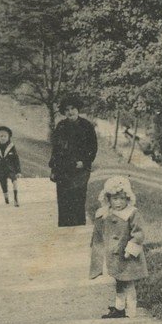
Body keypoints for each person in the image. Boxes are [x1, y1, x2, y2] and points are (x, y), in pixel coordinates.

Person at [89, 176, 148, 319]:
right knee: (120, 281)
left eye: (122, 199)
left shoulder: (131, 213)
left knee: (128, 283)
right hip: (115, 256)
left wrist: (131, 249)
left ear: (128, 198)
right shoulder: (105, 213)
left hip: (127, 256)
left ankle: (131, 310)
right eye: (115, 199)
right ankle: (119, 308)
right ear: (108, 199)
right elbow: (100, 234)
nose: (119, 202)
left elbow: (139, 233)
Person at [49, 96, 98, 227]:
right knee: (64, 200)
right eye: (67, 110)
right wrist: (53, 169)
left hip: (79, 169)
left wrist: (85, 162)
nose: (70, 112)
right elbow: (56, 149)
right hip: (63, 169)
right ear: (64, 112)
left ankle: (78, 229)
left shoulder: (86, 126)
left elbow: (93, 148)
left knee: (78, 198)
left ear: (78, 110)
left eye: (73, 109)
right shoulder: (61, 126)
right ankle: (65, 231)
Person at [0, 126, 22, 206]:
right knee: (3, 184)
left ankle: (15, 198)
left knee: (14, 181)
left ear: (8, 137)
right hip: (0, 169)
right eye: (1, 136)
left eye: (5, 136)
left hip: (10, 168)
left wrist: (18, 171)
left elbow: (16, 159)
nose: (3, 138)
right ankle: (6, 198)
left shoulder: (11, 146)